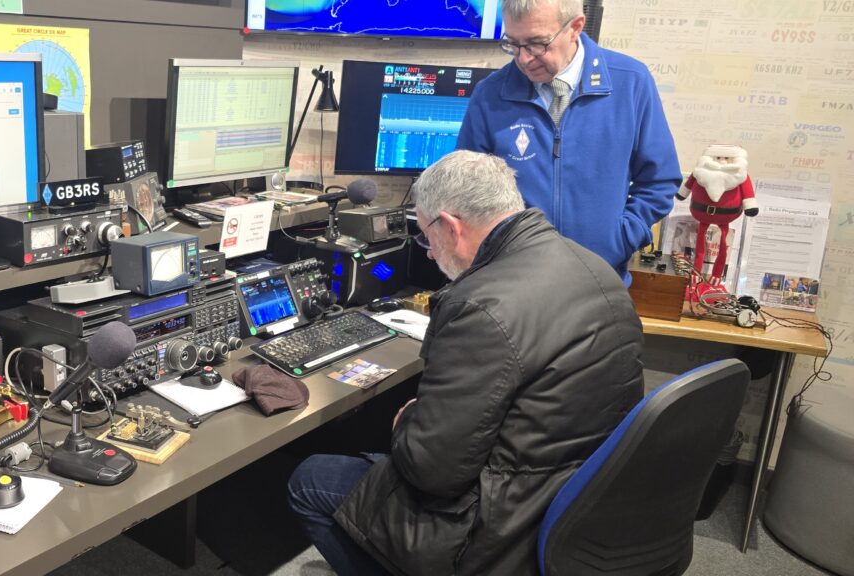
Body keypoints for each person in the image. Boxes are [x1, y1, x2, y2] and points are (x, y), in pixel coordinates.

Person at [287, 150, 645, 575]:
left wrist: (407, 424)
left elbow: (431, 471)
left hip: (499, 531)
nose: (430, 252)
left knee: (310, 478)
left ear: (451, 226)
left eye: (425, 236)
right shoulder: (594, 266)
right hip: (575, 502)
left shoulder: (479, 306)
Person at [456, 0, 682, 284]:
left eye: (537, 44)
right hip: (513, 285)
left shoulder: (631, 82)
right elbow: (467, 189)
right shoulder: (490, 94)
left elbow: (659, 181)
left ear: (575, 27)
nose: (523, 59)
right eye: (513, 44)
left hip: (600, 282)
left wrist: (620, 239)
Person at [676, 144, 758, 286]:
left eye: (727, 158)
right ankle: (696, 272)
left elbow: (748, 193)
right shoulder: (700, 172)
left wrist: (750, 206)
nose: (722, 161)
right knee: (700, 244)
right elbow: (688, 185)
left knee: (723, 245)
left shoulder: (741, 176)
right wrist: (682, 194)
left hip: (726, 217)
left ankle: (717, 275)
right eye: (718, 157)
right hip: (702, 215)